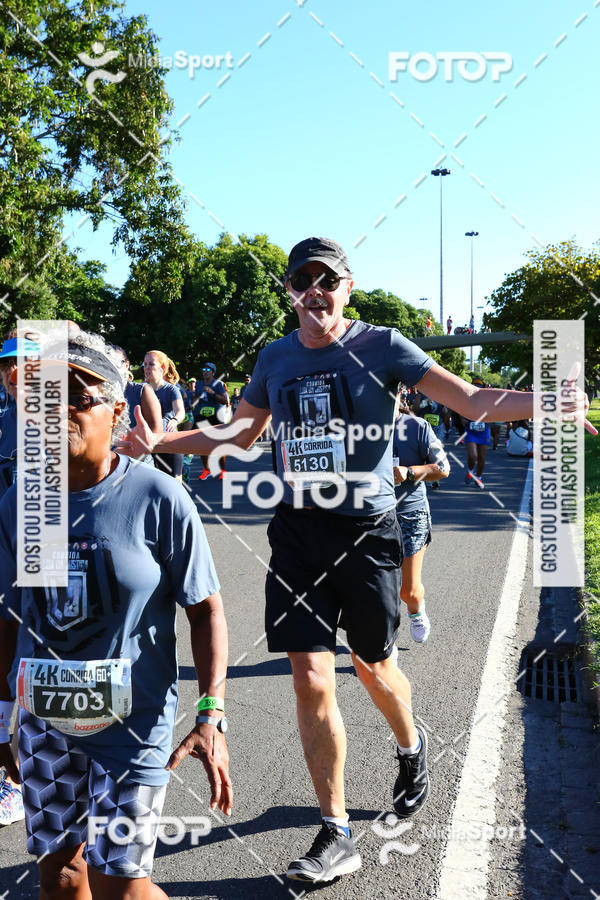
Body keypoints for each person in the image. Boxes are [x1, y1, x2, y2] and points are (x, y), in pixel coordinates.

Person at [121, 236, 593, 885]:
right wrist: (160, 441)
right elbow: (239, 434)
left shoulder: (383, 347)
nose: (313, 289)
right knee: (311, 677)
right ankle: (334, 830)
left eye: (325, 279)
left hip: (368, 532)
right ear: (290, 291)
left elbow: (470, 401)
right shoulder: (276, 358)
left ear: (346, 286)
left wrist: (550, 401)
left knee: (375, 672)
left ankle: (411, 745)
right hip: (296, 534)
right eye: (300, 280)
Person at [0, 327, 232, 899]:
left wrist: (210, 714)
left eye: (78, 395)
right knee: (62, 876)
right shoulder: (27, 501)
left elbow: (205, 611)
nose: (58, 411)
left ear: (118, 410)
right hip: (45, 720)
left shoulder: (158, 498)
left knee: (118, 886)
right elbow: (13, 616)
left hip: (133, 724)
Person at [393, 393, 450, 642]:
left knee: (409, 591)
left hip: (409, 515)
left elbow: (442, 468)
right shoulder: (354, 427)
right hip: (369, 517)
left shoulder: (415, 426)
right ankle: (385, 646)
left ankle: (416, 611)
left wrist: (409, 472)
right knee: (376, 592)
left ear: (398, 395)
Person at [143, 350, 185, 482]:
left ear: (162, 369)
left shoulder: (171, 389)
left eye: (151, 364)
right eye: (145, 364)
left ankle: (183, 472)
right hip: (150, 443)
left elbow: (180, 411)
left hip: (170, 441)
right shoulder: (141, 389)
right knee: (155, 482)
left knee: (174, 482)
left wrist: (174, 420)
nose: (147, 368)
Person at [194, 362, 229, 481]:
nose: (205, 371)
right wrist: (195, 397)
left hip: (216, 416)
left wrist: (212, 393)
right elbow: (195, 399)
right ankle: (207, 470)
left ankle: (223, 470)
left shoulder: (218, 384)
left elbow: (225, 400)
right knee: (201, 445)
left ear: (213, 372)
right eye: (204, 369)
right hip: (201, 416)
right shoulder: (198, 384)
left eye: (208, 370)